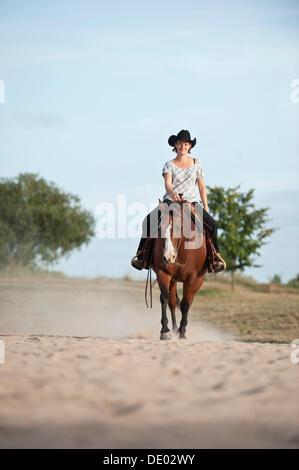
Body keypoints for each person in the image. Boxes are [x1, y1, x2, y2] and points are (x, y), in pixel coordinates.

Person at [131, 129, 226, 273]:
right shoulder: (169, 165)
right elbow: (168, 183)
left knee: (212, 224)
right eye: (180, 143)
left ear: (190, 146)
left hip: (192, 202)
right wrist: (172, 193)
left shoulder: (197, 163)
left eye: (186, 144)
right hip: (171, 201)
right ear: (175, 145)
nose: (183, 146)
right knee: (148, 221)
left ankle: (214, 258)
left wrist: (205, 205)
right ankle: (141, 256)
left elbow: (201, 186)